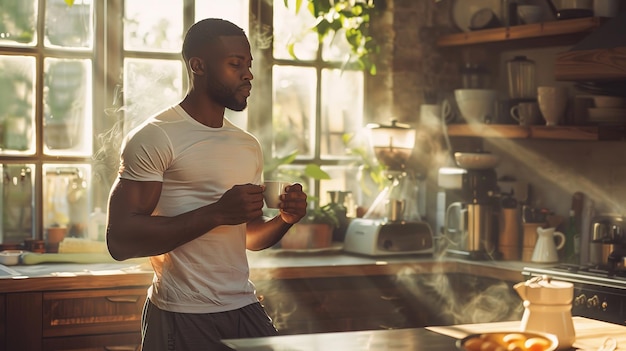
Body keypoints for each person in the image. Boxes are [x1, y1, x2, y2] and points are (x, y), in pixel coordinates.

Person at [106, 18, 308, 351]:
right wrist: (216, 213)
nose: (248, 75)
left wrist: (284, 220)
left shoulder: (247, 145)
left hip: (243, 306)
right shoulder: (155, 136)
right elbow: (120, 241)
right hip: (181, 313)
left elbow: (248, 236)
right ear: (197, 66)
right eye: (235, 64)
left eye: (248, 65)